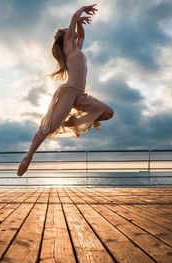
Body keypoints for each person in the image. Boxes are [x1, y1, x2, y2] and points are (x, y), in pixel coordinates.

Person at [17, 4, 114, 176]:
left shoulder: (77, 48)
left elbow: (81, 34)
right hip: (69, 92)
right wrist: (83, 9)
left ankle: (68, 122)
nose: (71, 31)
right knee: (48, 129)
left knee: (107, 112)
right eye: (67, 30)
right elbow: (73, 17)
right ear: (65, 37)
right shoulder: (68, 47)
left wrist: (80, 24)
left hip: (81, 95)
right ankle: (28, 156)